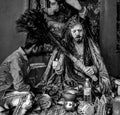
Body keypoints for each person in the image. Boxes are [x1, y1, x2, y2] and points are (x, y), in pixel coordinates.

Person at [50, 15, 111, 97]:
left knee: (96, 88)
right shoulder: (66, 45)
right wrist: (58, 68)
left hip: (88, 78)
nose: (77, 34)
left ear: (84, 31)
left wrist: (93, 69)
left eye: (79, 30)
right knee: (71, 90)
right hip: (72, 79)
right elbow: (60, 71)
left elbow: (98, 64)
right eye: (74, 31)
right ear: (70, 32)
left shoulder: (90, 44)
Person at [0, 38, 52, 114]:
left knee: (42, 98)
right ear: (35, 47)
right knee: (27, 97)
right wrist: (32, 90)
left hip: (9, 91)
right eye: (41, 48)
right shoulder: (16, 58)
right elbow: (19, 86)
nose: (41, 51)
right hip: (2, 94)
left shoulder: (22, 57)